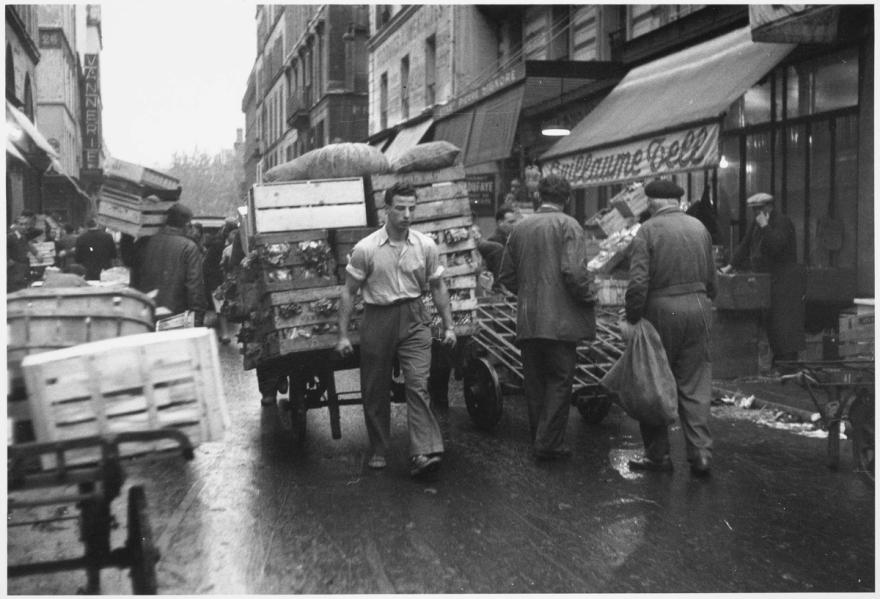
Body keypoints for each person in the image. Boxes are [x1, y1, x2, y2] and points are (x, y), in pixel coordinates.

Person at [335, 182, 456, 478]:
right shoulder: (366, 249)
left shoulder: (425, 245)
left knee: (418, 383)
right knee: (375, 387)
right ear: (387, 209)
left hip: (415, 316)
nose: (407, 214)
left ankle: (422, 451)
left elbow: (438, 286)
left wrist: (449, 325)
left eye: (412, 208)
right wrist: (342, 335)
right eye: (400, 208)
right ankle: (378, 446)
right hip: (378, 318)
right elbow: (349, 292)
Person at [622, 179, 717, 477]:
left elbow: (638, 283)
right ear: (678, 201)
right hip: (699, 306)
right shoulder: (699, 228)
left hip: (662, 309)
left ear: (651, 203)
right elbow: (712, 278)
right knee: (695, 381)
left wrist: (633, 317)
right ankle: (700, 453)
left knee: (654, 378)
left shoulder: (647, 231)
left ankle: (658, 456)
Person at [498, 174, 596, 460]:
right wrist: (588, 296)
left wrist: (528, 291)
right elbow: (574, 274)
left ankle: (539, 438)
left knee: (536, 382)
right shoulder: (569, 225)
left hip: (529, 319)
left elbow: (506, 275)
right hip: (562, 320)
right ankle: (548, 443)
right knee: (560, 379)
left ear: (539, 197)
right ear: (566, 199)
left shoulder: (520, 228)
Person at [722, 192, 805, 369]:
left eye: (758, 209)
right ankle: (778, 362)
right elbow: (744, 246)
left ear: (768, 207)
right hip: (767, 281)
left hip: (784, 282)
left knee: (784, 324)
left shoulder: (782, 222)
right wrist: (730, 266)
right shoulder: (757, 223)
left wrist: (766, 227)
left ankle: (788, 364)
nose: (755, 213)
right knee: (772, 323)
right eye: (754, 210)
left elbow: (777, 246)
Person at [132, 203, 207, 326]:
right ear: (187, 225)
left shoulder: (143, 243)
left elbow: (134, 276)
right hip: (176, 319)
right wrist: (197, 320)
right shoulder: (189, 247)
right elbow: (195, 288)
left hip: (145, 316)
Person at [7, 211, 40, 292]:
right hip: (14, 269)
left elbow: (28, 245)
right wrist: (8, 260)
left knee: (23, 288)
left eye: (25, 224)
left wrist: (36, 253)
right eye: (21, 224)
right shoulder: (10, 237)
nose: (24, 226)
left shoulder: (23, 237)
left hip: (23, 268)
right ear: (16, 225)